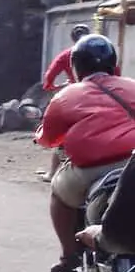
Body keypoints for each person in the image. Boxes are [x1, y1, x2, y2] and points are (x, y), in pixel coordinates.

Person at [35, 34, 135, 272]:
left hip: (93, 168)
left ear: (76, 66)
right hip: (133, 160)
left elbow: (49, 139)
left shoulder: (66, 95)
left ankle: (69, 254)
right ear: (113, 63)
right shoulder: (132, 85)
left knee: (59, 192)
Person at [40, 24, 96, 182]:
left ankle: (52, 173)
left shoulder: (67, 55)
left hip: (75, 97)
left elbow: (49, 77)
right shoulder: (101, 53)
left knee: (63, 135)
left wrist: (55, 87)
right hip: (101, 97)